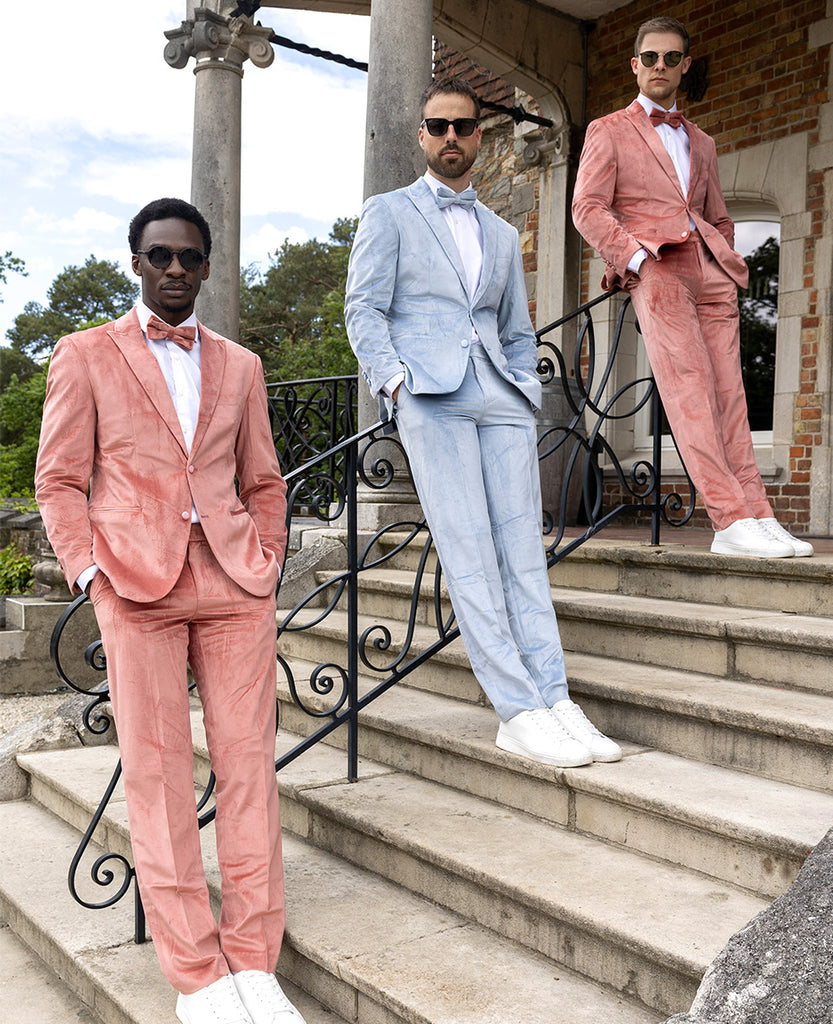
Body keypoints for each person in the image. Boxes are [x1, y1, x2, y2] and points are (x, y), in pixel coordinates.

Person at [35, 198, 305, 1024]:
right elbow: (58, 480)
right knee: (155, 777)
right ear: (136, 262)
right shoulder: (84, 356)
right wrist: (90, 574)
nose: (177, 270)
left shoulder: (242, 364)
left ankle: (255, 960)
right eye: (161, 256)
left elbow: (263, 479)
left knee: (249, 769)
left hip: (233, 586)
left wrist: (265, 559)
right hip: (134, 585)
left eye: (191, 257)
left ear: (209, 266)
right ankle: (197, 973)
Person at [345, 77, 621, 769]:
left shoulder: (500, 232)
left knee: (522, 553)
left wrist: (525, 388)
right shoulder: (388, 213)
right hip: (429, 397)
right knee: (468, 556)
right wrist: (396, 383)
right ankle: (516, 709)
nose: (450, 139)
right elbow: (363, 310)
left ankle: (554, 697)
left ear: (476, 133)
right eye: (437, 127)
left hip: (499, 396)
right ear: (420, 134)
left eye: (462, 127)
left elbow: (516, 327)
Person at [572, 16, 813, 559]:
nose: (661, 67)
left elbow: (718, 216)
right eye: (651, 58)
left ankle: (759, 514)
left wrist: (723, 259)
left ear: (685, 65)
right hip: (657, 268)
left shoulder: (701, 141)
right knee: (690, 393)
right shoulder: (608, 130)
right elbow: (587, 208)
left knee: (731, 398)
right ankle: (728, 519)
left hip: (710, 275)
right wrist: (636, 260)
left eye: (672, 58)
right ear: (635, 65)